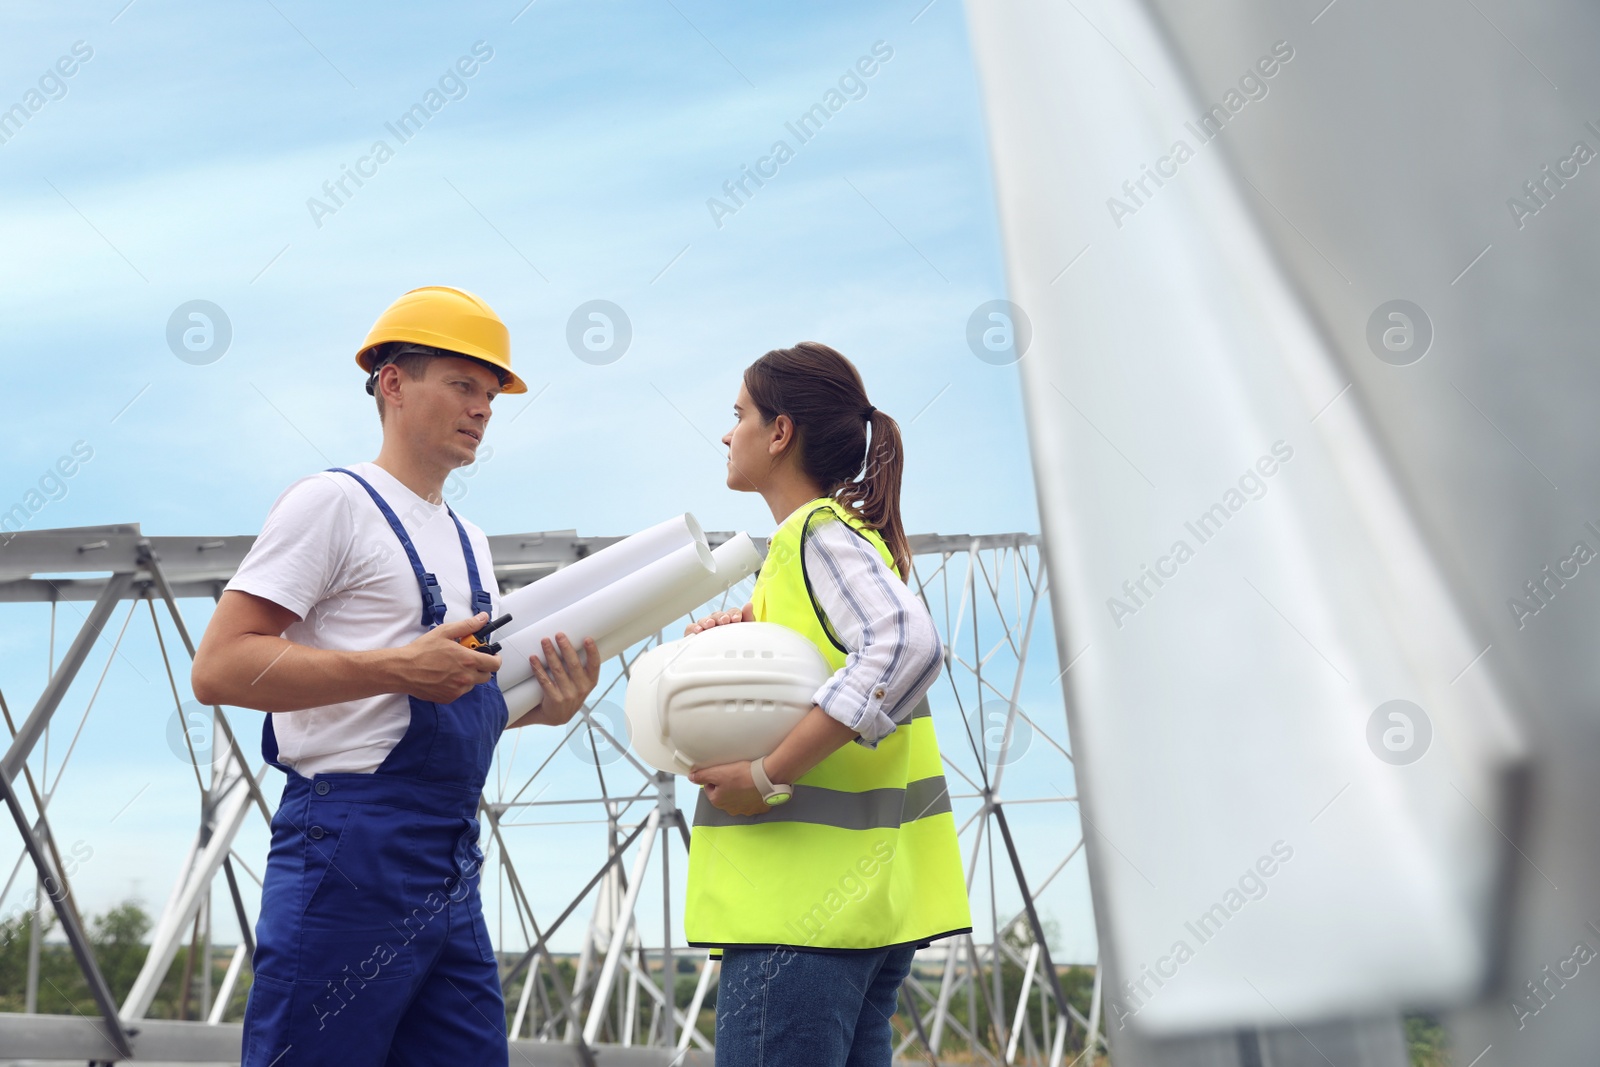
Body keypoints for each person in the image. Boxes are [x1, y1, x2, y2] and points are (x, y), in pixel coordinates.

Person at [191, 286, 601, 1067]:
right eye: (462, 384)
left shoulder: (471, 541)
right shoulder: (331, 503)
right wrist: (397, 667)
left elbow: (431, 697)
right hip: (347, 845)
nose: (481, 408)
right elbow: (219, 665)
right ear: (392, 383)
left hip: (449, 854)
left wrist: (534, 709)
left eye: (490, 393)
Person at [682, 342, 972, 1066]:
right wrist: (754, 640)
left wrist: (768, 773)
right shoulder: (823, 546)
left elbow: (908, 643)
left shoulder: (817, 535)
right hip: (854, 914)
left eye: (740, 415)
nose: (727, 433)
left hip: (799, 919)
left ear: (780, 433)